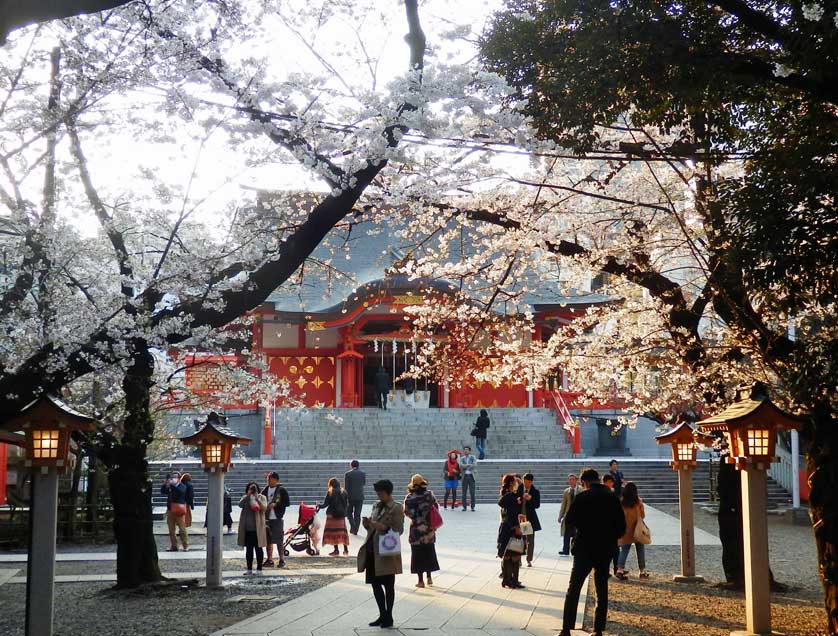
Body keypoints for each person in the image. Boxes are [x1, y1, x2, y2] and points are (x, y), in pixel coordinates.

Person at [557, 468, 626, 636]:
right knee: (601, 589)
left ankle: (566, 629)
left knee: (574, 588)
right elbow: (622, 527)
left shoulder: (582, 497)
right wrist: (610, 538)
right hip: (605, 548)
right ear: (598, 479)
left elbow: (570, 521)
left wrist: (579, 532)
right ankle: (598, 629)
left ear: (584, 482)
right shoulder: (612, 498)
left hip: (584, 548)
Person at [359, 479, 404, 628]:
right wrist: (367, 525)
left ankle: (389, 616)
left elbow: (399, 530)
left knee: (388, 586)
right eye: (377, 493)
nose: (379, 496)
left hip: (386, 552)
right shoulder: (376, 505)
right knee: (375, 585)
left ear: (388, 492)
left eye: (381, 493)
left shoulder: (396, 508)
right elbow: (372, 528)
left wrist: (381, 527)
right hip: (372, 550)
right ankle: (382, 614)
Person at [403, 474, 440, 588]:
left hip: (416, 529)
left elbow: (407, 512)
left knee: (417, 554)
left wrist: (417, 519)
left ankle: (420, 581)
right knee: (429, 551)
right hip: (429, 528)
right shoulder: (429, 494)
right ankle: (429, 577)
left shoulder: (409, 497)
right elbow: (436, 508)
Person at [616, 481, 648, 580]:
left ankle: (620, 570)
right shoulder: (638, 501)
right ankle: (642, 571)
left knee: (624, 550)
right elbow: (642, 515)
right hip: (637, 529)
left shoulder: (622, 502)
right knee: (640, 550)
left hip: (626, 529)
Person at [497, 473, 525, 589]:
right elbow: (512, 514)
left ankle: (507, 580)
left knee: (508, 554)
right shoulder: (510, 496)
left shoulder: (507, 495)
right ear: (511, 483)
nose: (516, 484)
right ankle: (512, 580)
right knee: (514, 555)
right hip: (511, 528)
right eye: (515, 482)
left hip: (505, 527)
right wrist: (517, 527)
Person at [238, 481, 268, 574]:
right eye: (251, 488)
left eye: (254, 488)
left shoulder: (262, 497)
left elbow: (264, 508)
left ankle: (259, 569)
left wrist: (257, 498)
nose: (253, 490)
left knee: (259, 549)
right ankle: (249, 569)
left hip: (258, 528)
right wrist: (248, 496)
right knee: (249, 550)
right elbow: (240, 505)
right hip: (247, 529)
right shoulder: (245, 498)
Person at [262, 471, 290, 568]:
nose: (268, 481)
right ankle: (269, 559)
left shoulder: (281, 490)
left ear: (276, 480)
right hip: (267, 518)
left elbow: (287, 503)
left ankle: (281, 560)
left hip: (277, 518)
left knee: (279, 540)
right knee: (268, 540)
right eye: (268, 479)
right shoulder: (265, 490)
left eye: (270, 479)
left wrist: (276, 504)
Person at [319, 477, 350, 556]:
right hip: (341, 515)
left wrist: (318, 505)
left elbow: (325, 504)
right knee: (342, 532)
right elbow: (346, 504)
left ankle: (336, 550)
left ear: (331, 484)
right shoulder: (344, 492)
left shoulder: (330, 492)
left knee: (333, 533)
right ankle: (346, 550)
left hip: (332, 515)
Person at [160, 471, 189, 552]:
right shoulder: (170, 486)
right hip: (170, 510)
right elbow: (162, 491)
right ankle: (174, 546)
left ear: (179, 479)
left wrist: (172, 486)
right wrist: (165, 484)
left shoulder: (182, 486)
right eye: (172, 477)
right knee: (171, 530)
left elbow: (179, 492)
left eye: (175, 477)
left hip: (179, 510)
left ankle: (185, 545)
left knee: (182, 529)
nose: (173, 479)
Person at [520, 472, 541, 567]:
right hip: (519, 518)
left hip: (528, 520)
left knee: (529, 540)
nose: (526, 484)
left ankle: (529, 559)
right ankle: (518, 559)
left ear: (531, 482)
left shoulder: (535, 492)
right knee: (519, 539)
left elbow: (537, 505)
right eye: (524, 482)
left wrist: (530, 499)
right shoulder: (519, 489)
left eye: (528, 482)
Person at [558, 474, 581, 556]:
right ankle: (565, 550)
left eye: (573, 479)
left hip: (578, 515)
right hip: (568, 515)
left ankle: (575, 549)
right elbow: (563, 504)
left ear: (576, 480)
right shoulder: (566, 491)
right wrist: (560, 516)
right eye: (570, 479)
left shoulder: (581, 490)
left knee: (576, 533)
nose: (571, 481)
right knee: (566, 533)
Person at [345, 459, 367, 535]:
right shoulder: (363, 473)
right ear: (358, 465)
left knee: (349, 513)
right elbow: (364, 483)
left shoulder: (348, 474)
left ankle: (353, 526)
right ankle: (356, 530)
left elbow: (346, 487)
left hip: (350, 497)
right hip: (360, 496)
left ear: (351, 465)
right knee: (357, 514)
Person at [458, 446, 477, 511]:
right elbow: (460, 465)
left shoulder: (473, 457)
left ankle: (472, 507)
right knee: (464, 492)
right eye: (465, 450)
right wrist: (469, 465)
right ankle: (464, 507)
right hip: (464, 476)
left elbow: (474, 464)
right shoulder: (462, 458)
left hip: (472, 476)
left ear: (469, 451)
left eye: (467, 450)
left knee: (472, 492)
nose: (466, 451)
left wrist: (465, 466)